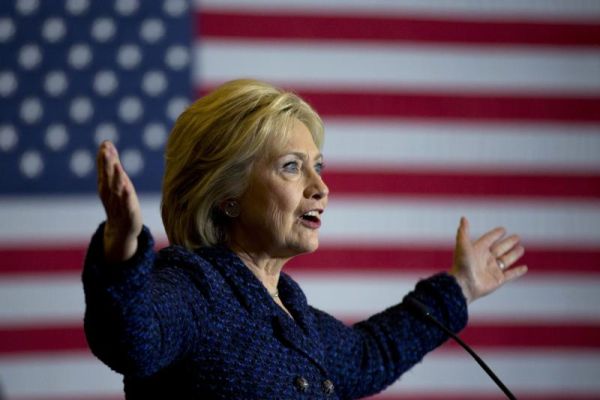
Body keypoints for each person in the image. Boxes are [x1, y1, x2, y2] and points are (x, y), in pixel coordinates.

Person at [83, 79, 527, 399]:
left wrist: (460, 287)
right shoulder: (193, 289)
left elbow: (371, 354)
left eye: (319, 166)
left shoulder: (294, 316)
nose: (320, 187)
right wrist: (122, 251)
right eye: (292, 167)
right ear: (227, 195)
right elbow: (131, 338)